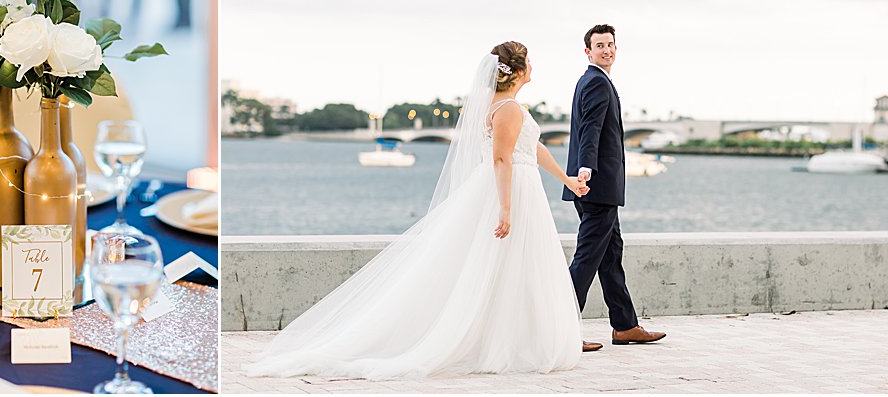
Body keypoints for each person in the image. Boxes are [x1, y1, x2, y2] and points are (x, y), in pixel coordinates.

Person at [242, 42, 588, 379]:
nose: (534, 67)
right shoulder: (508, 109)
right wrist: (506, 207)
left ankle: (509, 337)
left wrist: (567, 180)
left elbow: (532, 148)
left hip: (517, 188)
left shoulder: (507, 106)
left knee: (513, 267)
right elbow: (501, 158)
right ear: (519, 70)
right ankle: (502, 343)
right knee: (503, 264)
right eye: (530, 61)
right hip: (509, 191)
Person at [565, 25, 665, 350]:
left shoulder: (594, 80)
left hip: (598, 187)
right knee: (586, 260)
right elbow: (591, 129)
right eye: (599, 45)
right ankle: (558, 330)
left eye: (610, 44)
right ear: (588, 51)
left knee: (610, 257)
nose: (606, 50)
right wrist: (586, 169)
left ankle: (624, 326)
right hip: (596, 186)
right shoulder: (595, 81)